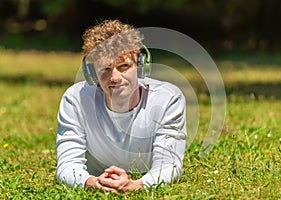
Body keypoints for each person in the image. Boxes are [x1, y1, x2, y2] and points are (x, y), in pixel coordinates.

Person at [56, 19, 186, 194]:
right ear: (91, 72)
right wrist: (93, 183)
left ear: (140, 66)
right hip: (97, 177)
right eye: (105, 69)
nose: (115, 77)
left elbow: (169, 166)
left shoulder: (168, 99)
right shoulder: (75, 99)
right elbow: (67, 165)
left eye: (123, 66)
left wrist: (135, 185)